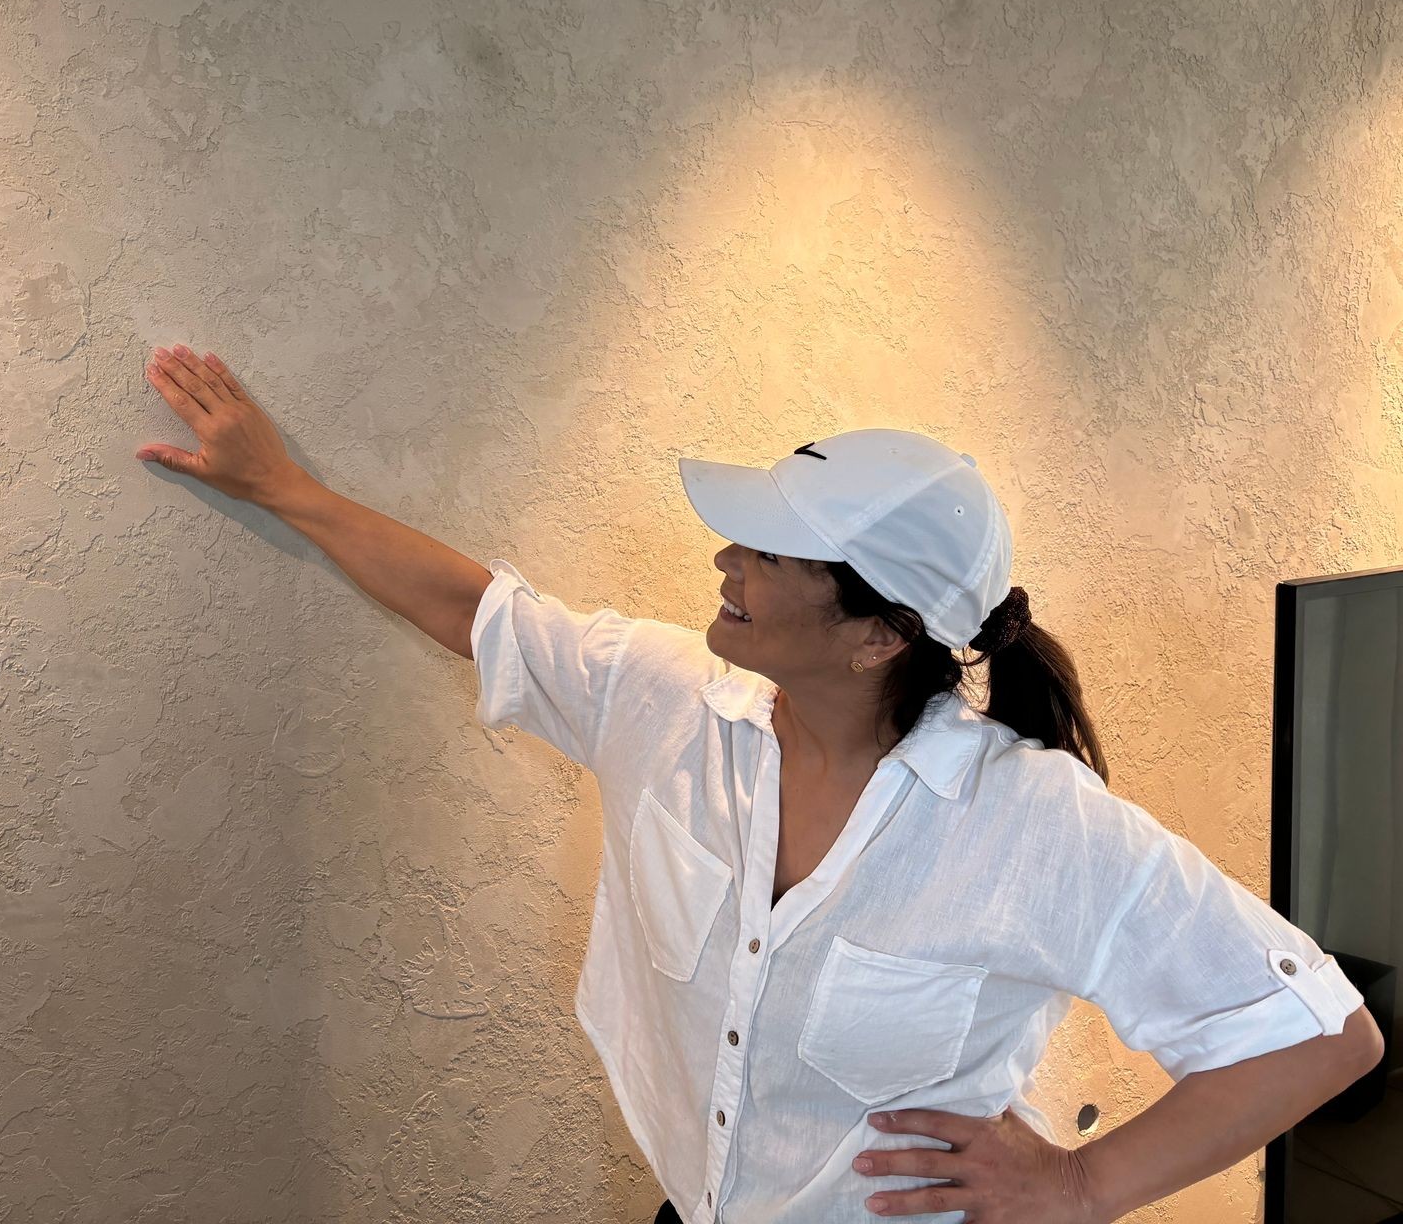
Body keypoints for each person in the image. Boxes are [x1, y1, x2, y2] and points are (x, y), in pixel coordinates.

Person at [137, 341, 1381, 1223]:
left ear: (877, 632)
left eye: (773, 551)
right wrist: (282, 488)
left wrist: (1081, 1187)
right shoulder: (671, 701)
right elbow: (480, 613)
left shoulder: (1031, 824)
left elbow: (1324, 1035)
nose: (727, 557)